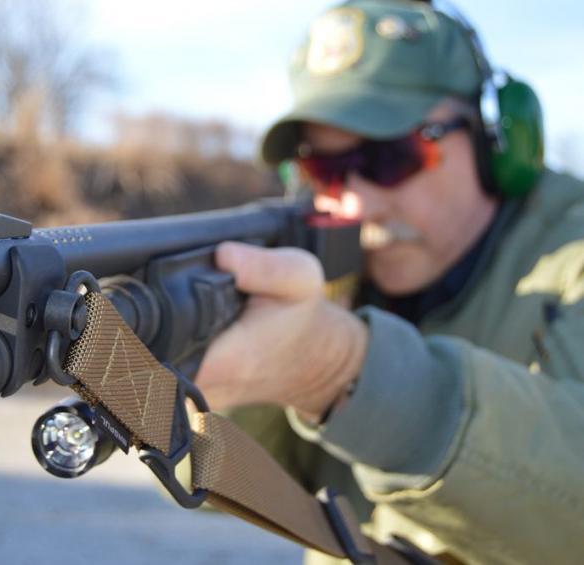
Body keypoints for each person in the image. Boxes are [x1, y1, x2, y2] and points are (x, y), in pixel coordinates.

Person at [194, 0, 584, 562]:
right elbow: (216, 484)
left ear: (496, 140)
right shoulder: (334, 272)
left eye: (390, 158)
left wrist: (337, 369)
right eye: (322, 168)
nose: (355, 202)